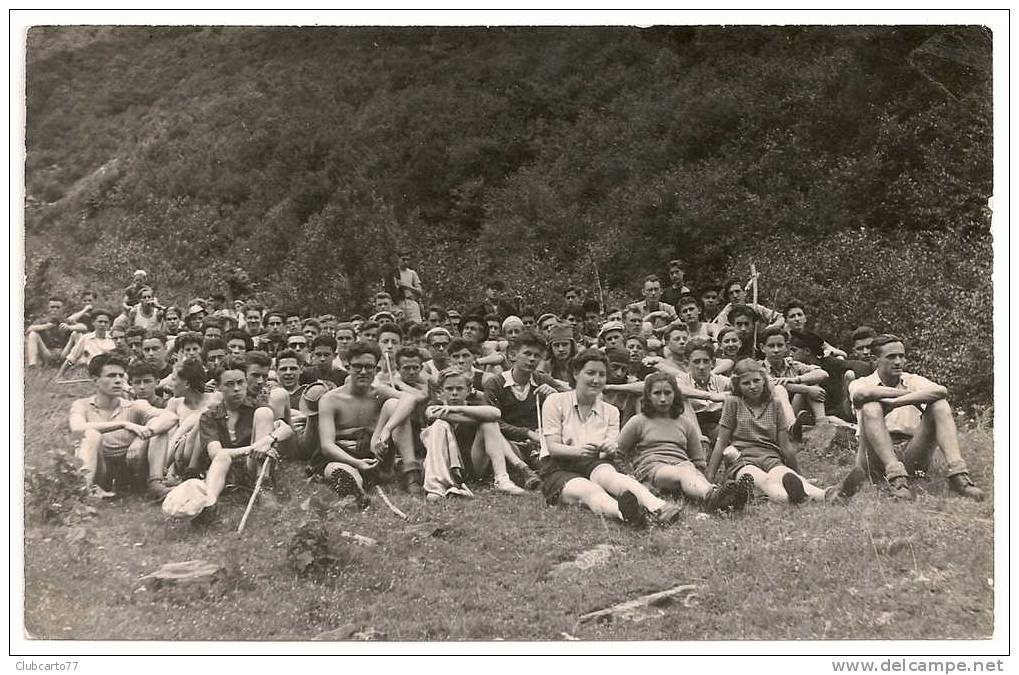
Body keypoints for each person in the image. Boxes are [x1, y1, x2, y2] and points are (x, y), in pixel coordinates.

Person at [539, 349, 682, 528]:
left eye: (602, 375)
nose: (596, 380)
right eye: (590, 373)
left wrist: (609, 449)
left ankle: (658, 506)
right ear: (576, 373)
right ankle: (629, 515)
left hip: (594, 463)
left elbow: (611, 448)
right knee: (588, 490)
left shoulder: (611, 411)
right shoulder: (555, 401)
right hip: (558, 466)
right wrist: (580, 450)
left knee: (610, 476)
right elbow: (553, 448)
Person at [836, 334, 984, 502]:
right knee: (871, 406)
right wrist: (917, 396)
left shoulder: (912, 380)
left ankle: (958, 474)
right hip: (873, 457)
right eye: (891, 357)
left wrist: (897, 402)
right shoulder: (862, 382)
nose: (898, 362)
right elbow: (863, 394)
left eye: (901, 356)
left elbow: (941, 391)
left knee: (939, 404)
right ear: (875, 359)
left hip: (911, 452)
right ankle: (896, 478)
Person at [617, 373, 750, 513]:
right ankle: (712, 496)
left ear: (675, 394)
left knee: (691, 471)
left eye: (667, 393)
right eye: (657, 393)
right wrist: (629, 475)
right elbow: (618, 453)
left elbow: (698, 460)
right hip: (653, 468)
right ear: (648, 396)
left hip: (682, 466)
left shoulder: (684, 423)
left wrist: (698, 474)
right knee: (684, 472)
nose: (663, 398)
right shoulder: (639, 421)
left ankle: (723, 498)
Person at [706, 359, 831, 504]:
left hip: (770, 457)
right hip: (742, 459)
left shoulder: (775, 404)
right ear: (737, 385)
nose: (752, 386)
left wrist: (798, 474)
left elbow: (785, 445)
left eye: (756, 381)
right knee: (764, 481)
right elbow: (721, 442)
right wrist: (709, 477)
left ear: (764, 381)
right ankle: (791, 498)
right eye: (746, 383)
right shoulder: (733, 402)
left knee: (784, 474)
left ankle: (827, 494)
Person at [316, 342, 427, 498]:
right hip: (344, 455)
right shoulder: (330, 399)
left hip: (375, 453)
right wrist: (357, 463)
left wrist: (386, 430)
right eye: (357, 366)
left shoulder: (379, 391)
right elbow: (327, 446)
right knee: (336, 469)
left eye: (369, 367)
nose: (363, 372)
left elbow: (409, 398)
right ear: (348, 367)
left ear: (376, 369)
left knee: (394, 404)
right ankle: (355, 485)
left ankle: (411, 475)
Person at [69, 353, 178, 499]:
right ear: (95, 380)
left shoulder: (135, 405)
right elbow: (77, 428)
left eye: (121, 376)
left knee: (159, 427)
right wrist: (123, 424)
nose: (118, 381)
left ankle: (155, 484)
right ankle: (85, 490)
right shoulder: (82, 405)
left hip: (129, 467)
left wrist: (145, 435)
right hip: (100, 469)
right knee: (91, 434)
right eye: (111, 376)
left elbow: (171, 417)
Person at [196, 356, 293, 514]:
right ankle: (209, 504)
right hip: (225, 471)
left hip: (253, 466)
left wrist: (269, 439)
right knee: (222, 456)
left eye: (240, 382)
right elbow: (216, 453)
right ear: (219, 387)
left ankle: (264, 486)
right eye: (229, 384)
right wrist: (256, 447)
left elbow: (285, 428)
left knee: (264, 413)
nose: (236, 388)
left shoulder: (257, 407)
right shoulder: (210, 416)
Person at [421, 368, 532, 498]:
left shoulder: (472, 407)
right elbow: (432, 414)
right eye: (449, 389)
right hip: (442, 465)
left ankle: (502, 479)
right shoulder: (433, 407)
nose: (454, 393)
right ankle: (438, 485)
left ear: (468, 391)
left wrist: (455, 408)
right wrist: (475, 417)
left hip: (472, 464)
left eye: (459, 389)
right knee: (440, 424)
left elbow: (496, 414)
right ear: (440, 392)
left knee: (490, 423)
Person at [788, 330, 872, 423]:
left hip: (832, 411)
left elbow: (859, 366)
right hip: (798, 412)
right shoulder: (792, 366)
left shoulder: (828, 363)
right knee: (808, 383)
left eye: (794, 350)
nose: (791, 354)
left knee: (850, 375)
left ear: (807, 351)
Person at [759, 326, 829, 435]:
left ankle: (822, 424)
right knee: (779, 389)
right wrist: (807, 389)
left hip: (794, 411)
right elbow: (771, 384)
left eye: (780, 345)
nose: (776, 350)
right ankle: (791, 427)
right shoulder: (758, 368)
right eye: (771, 346)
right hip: (769, 415)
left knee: (811, 381)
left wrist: (796, 379)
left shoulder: (792, 364)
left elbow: (823, 374)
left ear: (786, 347)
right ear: (763, 348)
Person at [164, 358, 219, 482]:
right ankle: (169, 469)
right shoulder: (174, 403)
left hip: (211, 450)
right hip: (183, 454)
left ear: (187, 384)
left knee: (202, 418)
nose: (170, 384)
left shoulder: (215, 399)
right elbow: (171, 436)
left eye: (173, 379)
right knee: (173, 423)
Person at [675, 338, 731, 448]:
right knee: (683, 399)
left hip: (717, 423)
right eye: (696, 362)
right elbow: (677, 388)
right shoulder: (682, 380)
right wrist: (711, 396)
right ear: (687, 364)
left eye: (705, 361)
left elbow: (742, 385)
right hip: (691, 424)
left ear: (713, 363)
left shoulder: (720, 380)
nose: (701, 367)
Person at [56, 308, 115, 379]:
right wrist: (59, 376)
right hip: (92, 373)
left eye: (106, 322)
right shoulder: (86, 338)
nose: (103, 324)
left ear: (109, 324)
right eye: (100, 321)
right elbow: (71, 358)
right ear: (93, 322)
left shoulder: (113, 338)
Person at [782, 299, 847, 359]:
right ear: (786, 321)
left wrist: (830, 352)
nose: (797, 319)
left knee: (840, 358)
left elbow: (843, 353)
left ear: (805, 318)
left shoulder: (812, 337)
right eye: (792, 316)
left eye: (799, 315)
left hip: (817, 367)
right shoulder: (784, 338)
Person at [712, 278, 784, 330]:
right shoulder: (724, 315)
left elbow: (781, 318)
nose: (735, 296)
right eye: (731, 293)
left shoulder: (755, 308)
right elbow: (722, 333)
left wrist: (771, 327)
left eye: (737, 291)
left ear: (744, 293)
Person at [26, 296, 71, 367]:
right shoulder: (42, 321)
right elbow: (29, 329)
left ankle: (82, 363)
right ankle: (32, 365)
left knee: (77, 333)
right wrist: (45, 326)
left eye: (58, 307)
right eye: (52, 307)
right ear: (48, 308)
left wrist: (70, 327)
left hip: (64, 354)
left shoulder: (66, 321)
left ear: (62, 309)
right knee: (33, 334)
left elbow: (84, 327)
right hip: (47, 353)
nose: (55, 309)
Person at [538, 323, 577, 388]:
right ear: (551, 347)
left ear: (572, 345)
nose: (561, 349)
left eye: (565, 344)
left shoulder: (580, 366)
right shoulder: (544, 367)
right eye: (556, 345)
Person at [393, 251, 424, 323]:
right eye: (403, 259)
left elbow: (420, 292)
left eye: (408, 260)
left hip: (411, 302)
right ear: (398, 259)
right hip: (397, 303)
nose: (406, 262)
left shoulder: (412, 273)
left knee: (416, 325)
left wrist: (407, 286)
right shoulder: (393, 272)